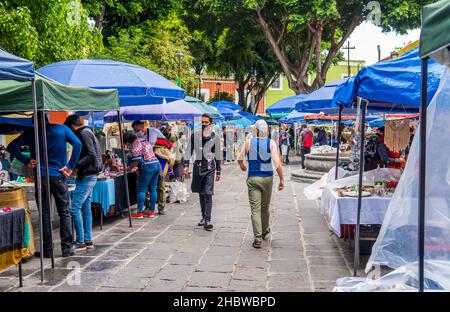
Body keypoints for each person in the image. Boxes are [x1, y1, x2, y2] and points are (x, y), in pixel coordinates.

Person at [7, 114, 82, 258]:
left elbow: (12, 147)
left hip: (41, 177)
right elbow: (77, 144)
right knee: (64, 212)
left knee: (44, 213)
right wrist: (70, 166)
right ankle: (66, 248)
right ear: (48, 119)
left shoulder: (31, 133)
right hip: (59, 176)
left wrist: (26, 160)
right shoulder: (62, 129)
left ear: (33, 122)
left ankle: (47, 250)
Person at [238, 120, 284, 249]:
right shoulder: (271, 143)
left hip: (253, 178)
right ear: (267, 131)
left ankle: (257, 238)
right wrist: (282, 179)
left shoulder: (248, 142)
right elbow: (277, 163)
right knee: (265, 207)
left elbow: (239, 158)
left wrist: (242, 166)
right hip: (267, 178)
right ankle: (264, 231)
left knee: (255, 209)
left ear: (255, 130)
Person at [64, 115, 102, 250]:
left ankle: (80, 240)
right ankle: (87, 240)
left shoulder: (82, 133)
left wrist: (75, 166)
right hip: (90, 174)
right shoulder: (88, 131)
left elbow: (91, 155)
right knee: (85, 208)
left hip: (88, 175)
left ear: (71, 127)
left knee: (74, 208)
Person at [187, 114, 221, 231]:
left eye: (206, 122)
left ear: (210, 123)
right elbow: (189, 150)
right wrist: (186, 165)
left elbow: (218, 154)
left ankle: (208, 220)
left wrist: (219, 170)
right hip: (198, 166)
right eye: (202, 122)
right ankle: (203, 216)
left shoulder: (214, 137)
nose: (204, 124)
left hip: (210, 167)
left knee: (208, 193)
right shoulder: (194, 136)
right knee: (201, 193)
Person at [123, 133, 161, 219]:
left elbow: (136, 161)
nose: (127, 146)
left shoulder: (135, 144)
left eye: (126, 144)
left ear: (128, 141)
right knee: (153, 189)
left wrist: (129, 168)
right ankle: (151, 211)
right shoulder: (144, 141)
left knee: (141, 189)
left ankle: (139, 212)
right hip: (156, 164)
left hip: (147, 166)